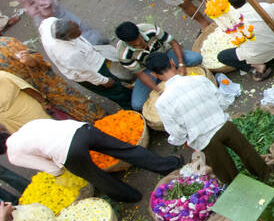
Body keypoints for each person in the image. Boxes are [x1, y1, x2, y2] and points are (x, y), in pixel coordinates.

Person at [150, 54, 268, 186]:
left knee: (228, 174)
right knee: (249, 154)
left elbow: (177, 133)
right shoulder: (199, 80)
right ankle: (266, 176)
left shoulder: (162, 103)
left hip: (205, 141)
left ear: (155, 75)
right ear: (172, 62)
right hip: (224, 126)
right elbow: (222, 102)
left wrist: (184, 137)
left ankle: (244, 193)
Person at [3, 116, 181, 202]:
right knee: (125, 150)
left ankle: (131, 196)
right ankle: (168, 165)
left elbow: (52, 169)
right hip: (81, 129)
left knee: (97, 176)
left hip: (69, 151)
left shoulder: (14, 155)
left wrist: (63, 172)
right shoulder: (26, 127)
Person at [0, 37, 102, 123]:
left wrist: (31, 61)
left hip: (49, 85)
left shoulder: (7, 43)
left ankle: (104, 123)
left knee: (80, 104)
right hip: (27, 97)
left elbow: (36, 56)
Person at [38, 17, 130, 108]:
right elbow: (86, 73)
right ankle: (132, 108)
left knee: (117, 81)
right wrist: (104, 81)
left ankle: (129, 93)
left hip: (90, 57)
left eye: (77, 27)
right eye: (76, 33)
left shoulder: (50, 22)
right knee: (116, 92)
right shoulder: (69, 54)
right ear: (67, 38)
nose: (80, 31)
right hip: (90, 72)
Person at [114, 22, 201, 112]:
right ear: (126, 42)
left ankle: (162, 77)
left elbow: (173, 43)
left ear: (139, 32)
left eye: (139, 39)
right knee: (137, 105)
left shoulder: (150, 29)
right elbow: (139, 73)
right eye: (134, 44)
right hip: (148, 71)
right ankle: (161, 78)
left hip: (166, 56)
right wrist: (159, 91)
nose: (139, 44)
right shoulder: (123, 54)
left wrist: (181, 64)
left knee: (196, 58)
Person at [213, 0, 274, 80]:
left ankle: (258, 67)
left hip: (257, 57)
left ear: (229, 6)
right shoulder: (262, 7)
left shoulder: (230, 22)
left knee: (222, 56)